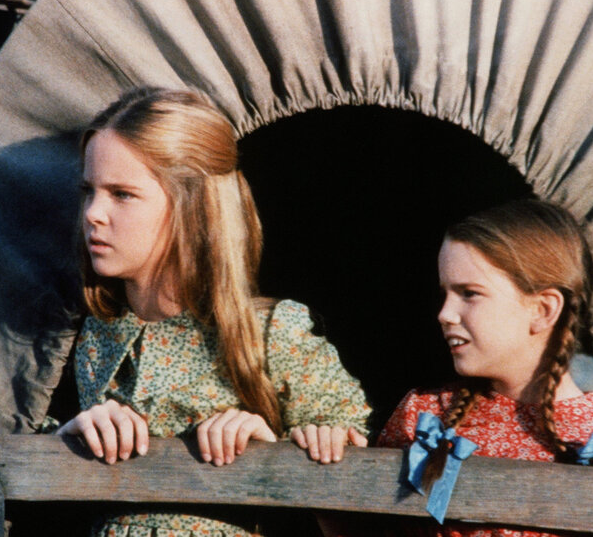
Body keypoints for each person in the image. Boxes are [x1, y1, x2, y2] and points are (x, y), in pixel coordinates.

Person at [55, 86, 370, 537]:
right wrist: (72, 438)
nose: (93, 213)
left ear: (193, 207)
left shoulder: (270, 334)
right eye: (89, 191)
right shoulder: (92, 337)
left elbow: (354, 512)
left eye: (122, 194)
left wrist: (275, 452)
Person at [372, 199, 593, 537]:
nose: (445, 313)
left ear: (544, 310)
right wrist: (324, 452)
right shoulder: (426, 416)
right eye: (445, 293)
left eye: (469, 293)